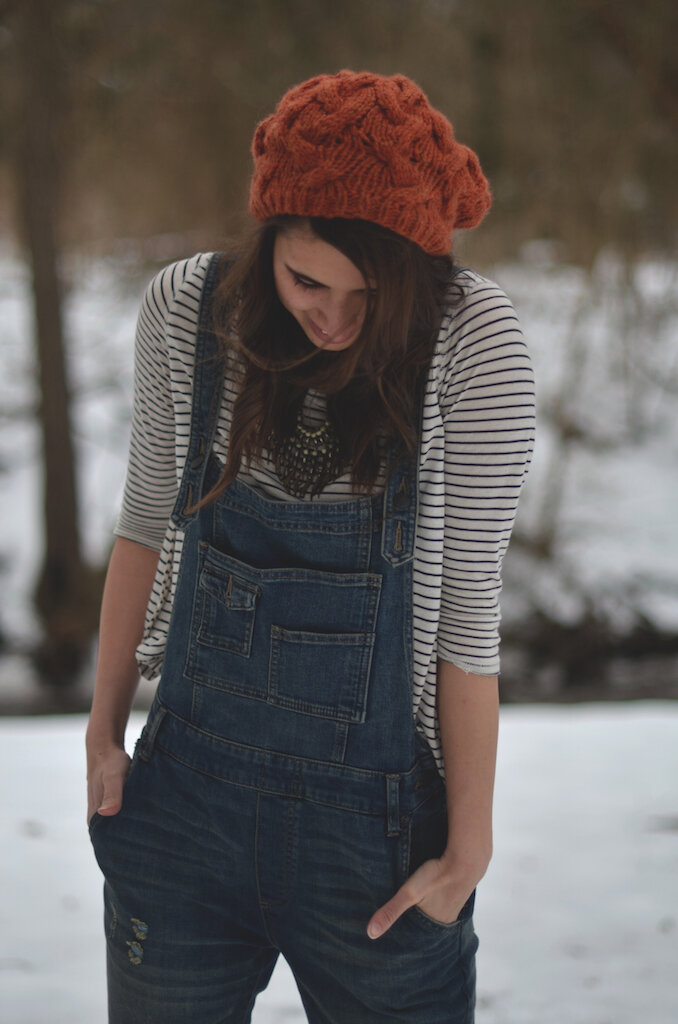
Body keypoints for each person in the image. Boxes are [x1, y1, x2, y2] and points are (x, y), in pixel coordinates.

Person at [86, 70, 535, 1024]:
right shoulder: (188, 312)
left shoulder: (471, 345)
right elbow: (140, 528)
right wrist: (100, 737)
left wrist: (469, 850)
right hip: (183, 820)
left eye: (367, 294)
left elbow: (468, 622)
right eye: (305, 282)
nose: (332, 318)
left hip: (377, 856)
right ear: (268, 240)